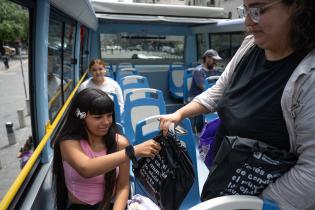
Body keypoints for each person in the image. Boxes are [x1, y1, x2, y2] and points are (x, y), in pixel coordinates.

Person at [160, 0, 315, 209]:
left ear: (297, 6)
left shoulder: (308, 77)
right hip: (226, 178)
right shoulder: (250, 46)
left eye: (258, 10)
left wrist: (249, 204)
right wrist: (180, 113)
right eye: (246, 10)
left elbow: (310, 174)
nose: (248, 21)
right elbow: (221, 89)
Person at [51, 88, 161, 210]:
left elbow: (123, 187)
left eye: (109, 115)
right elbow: (86, 168)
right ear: (82, 118)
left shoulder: (120, 143)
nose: (106, 122)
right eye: (98, 117)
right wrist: (132, 151)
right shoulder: (68, 143)